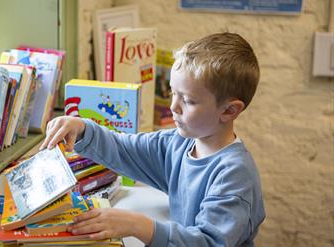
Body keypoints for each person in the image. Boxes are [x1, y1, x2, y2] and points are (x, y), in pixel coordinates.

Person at [40, 32, 265, 247]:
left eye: (188, 100)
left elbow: (208, 242)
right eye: (172, 93)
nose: (173, 106)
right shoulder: (178, 144)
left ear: (228, 111)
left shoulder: (235, 175)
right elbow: (124, 149)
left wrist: (137, 225)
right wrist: (81, 128)